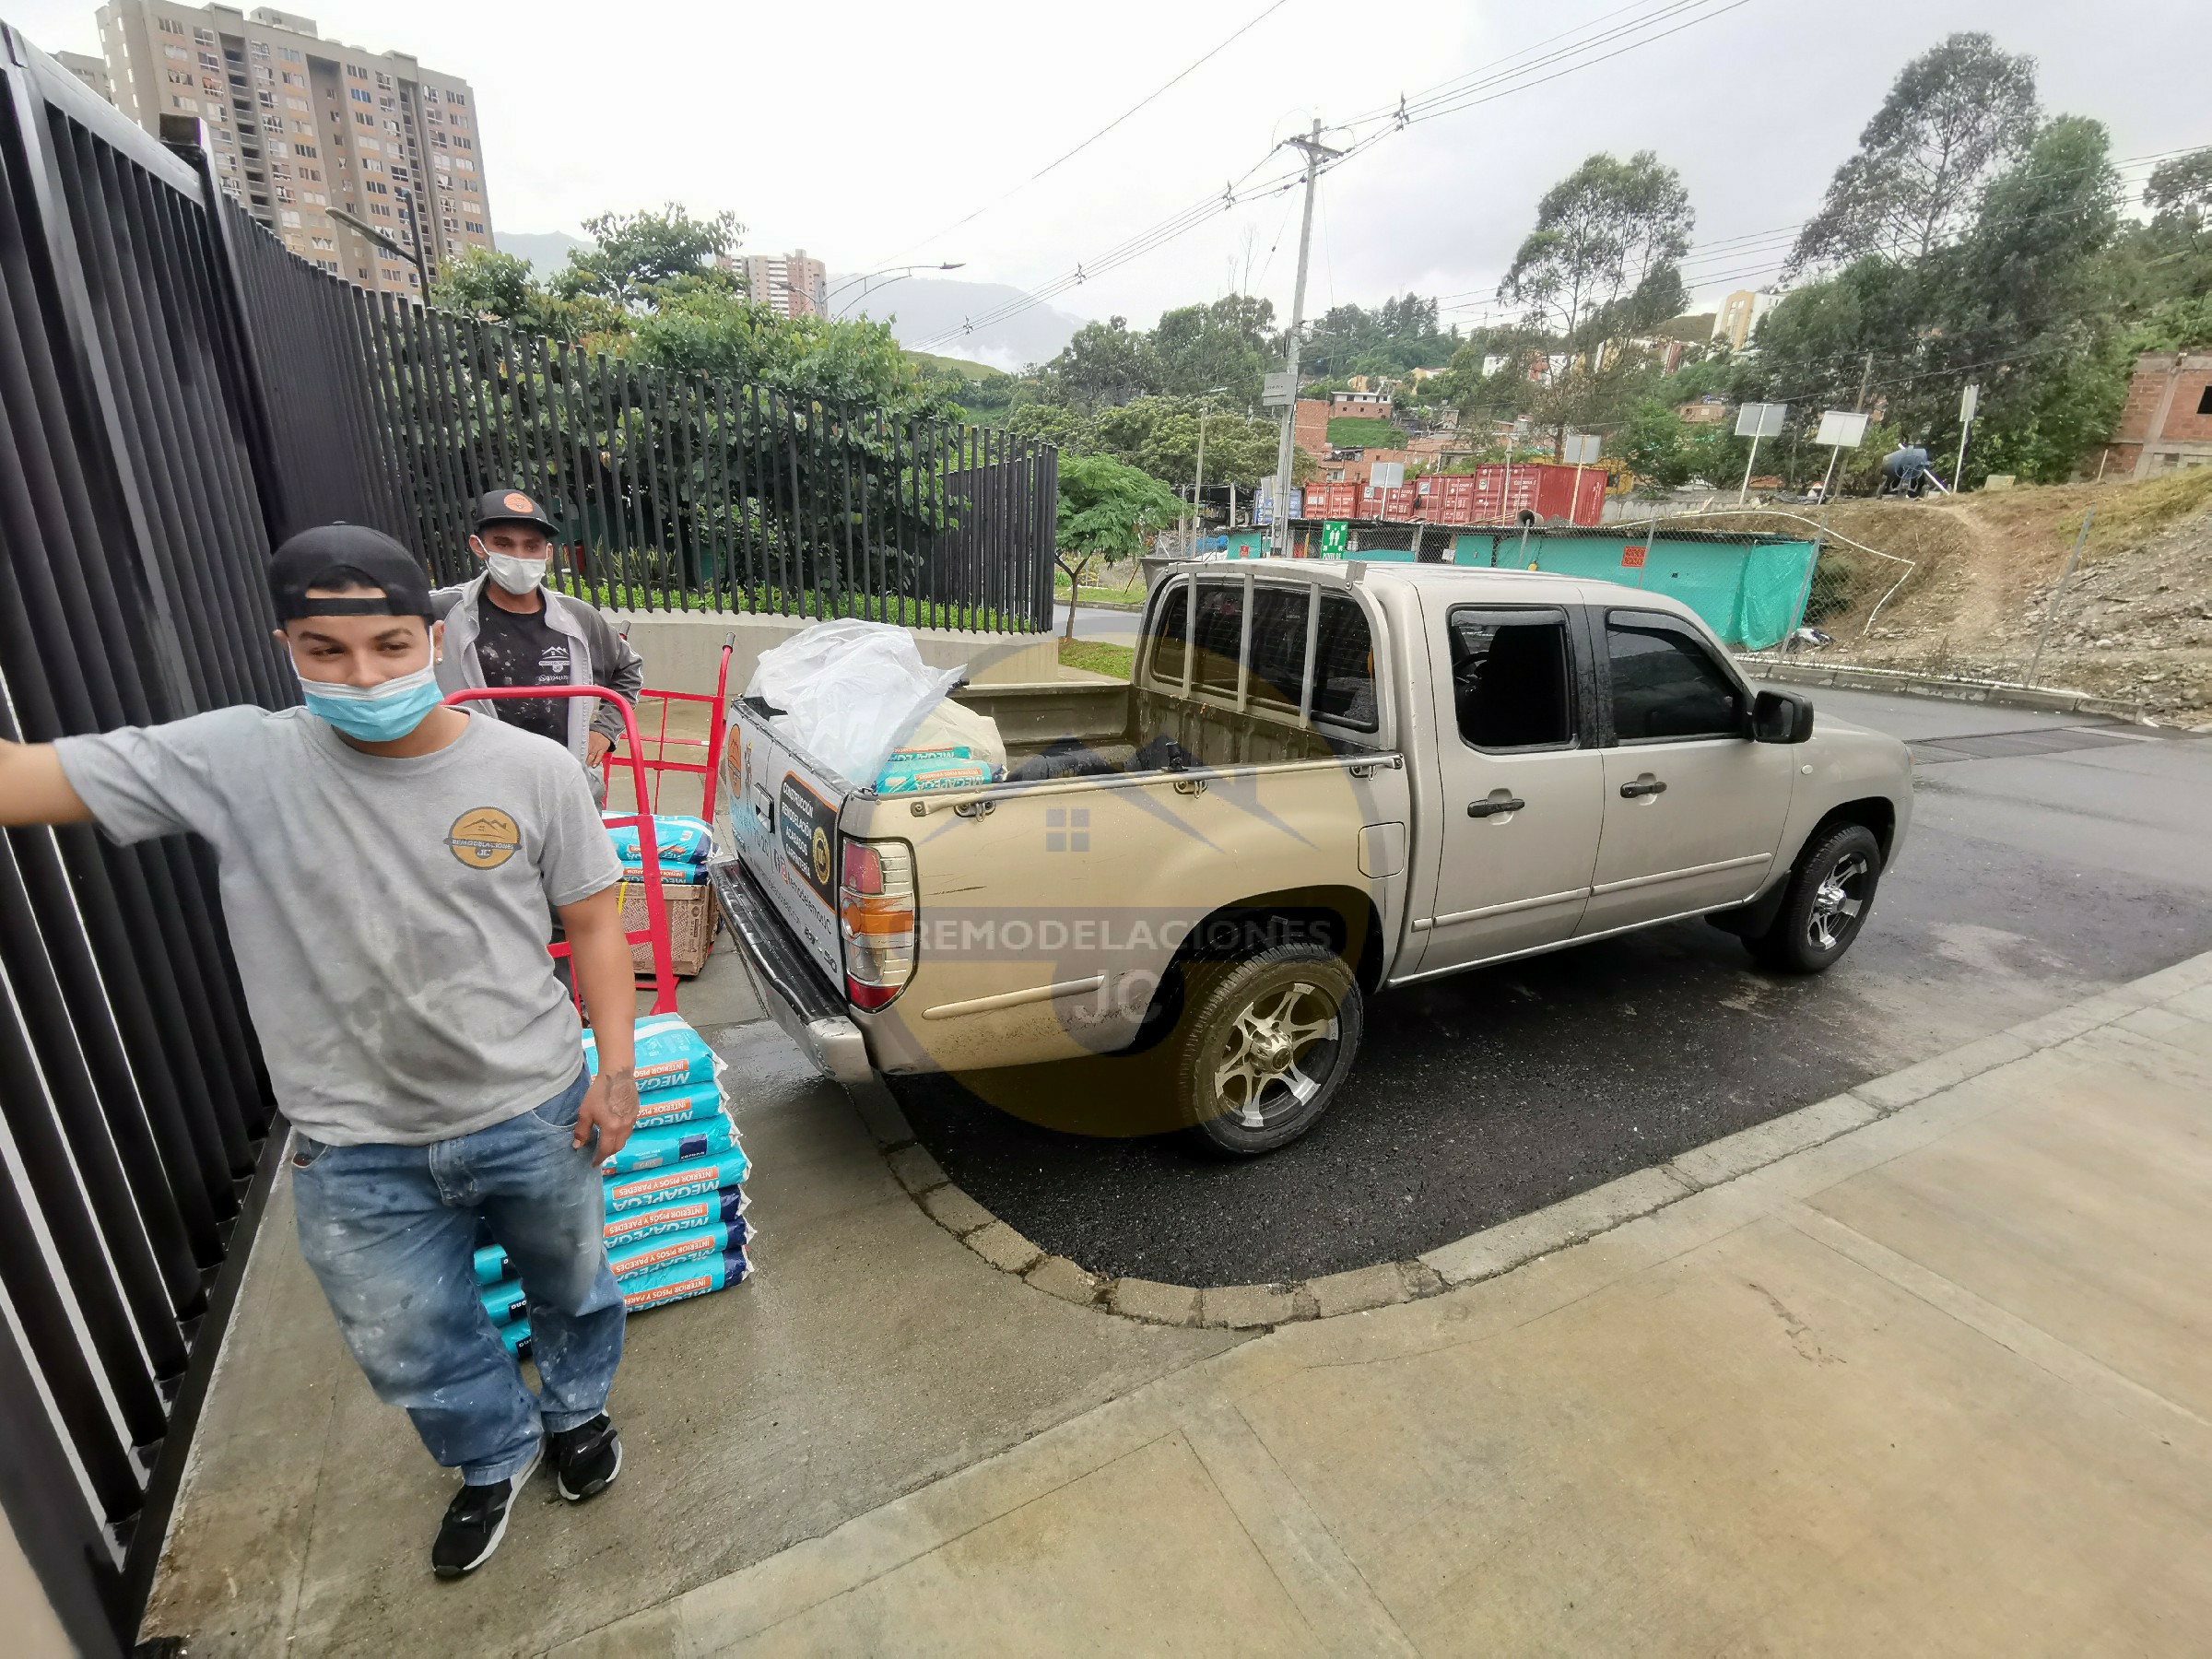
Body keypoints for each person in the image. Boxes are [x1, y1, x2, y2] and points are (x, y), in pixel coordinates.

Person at [0, 524, 642, 1578]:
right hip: (353, 1146)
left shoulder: (533, 771)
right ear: (286, 645)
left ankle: (577, 1413)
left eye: (391, 646)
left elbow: (595, 924)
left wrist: (614, 1069)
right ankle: (493, 1453)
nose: (364, 675)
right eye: (326, 652)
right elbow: (24, 779)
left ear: (432, 640)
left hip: (533, 1103)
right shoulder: (236, 758)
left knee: (572, 1286)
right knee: (409, 1340)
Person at [434, 488, 644, 803]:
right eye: (504, 544)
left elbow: (627, 670)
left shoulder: (578, 617)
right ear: (478, 547)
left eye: (530, 546)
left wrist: (605, 730)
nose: (519, 556)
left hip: (566, 788)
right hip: (477, 793)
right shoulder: (440, 613)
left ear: (547, 553)